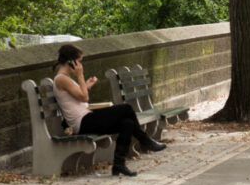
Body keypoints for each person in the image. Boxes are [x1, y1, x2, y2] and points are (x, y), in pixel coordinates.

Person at [51, 44, 167, 176]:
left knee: (127, 123)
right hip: (83, 122)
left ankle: (119, 165)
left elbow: (79, 98)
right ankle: (145, 141)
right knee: (126, 108)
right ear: (71, 61)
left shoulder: (65, 79)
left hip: (87, 117)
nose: (80, 65)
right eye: (80, 61)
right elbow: (84, 97)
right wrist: (80, 76)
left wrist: (86, 86)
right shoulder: (61, 79)